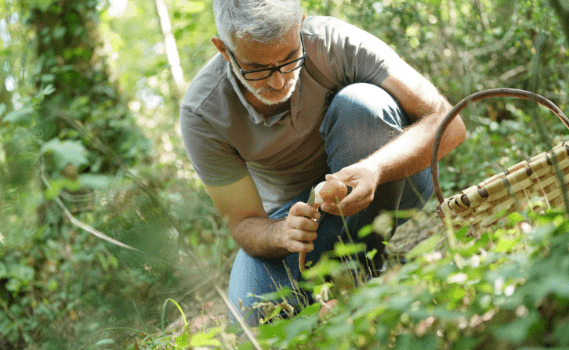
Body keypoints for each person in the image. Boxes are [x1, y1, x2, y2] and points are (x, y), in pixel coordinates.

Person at [180, 0, 466, 326]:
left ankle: (367, 271)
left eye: (289, 59)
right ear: (224, 50)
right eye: (257, 68)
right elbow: (244, 223)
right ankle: (338, 284)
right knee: (252, 313)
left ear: (300, 25)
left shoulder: (333, 42)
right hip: (300, 222)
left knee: (363, 103)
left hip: (390, 184)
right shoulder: (203, 111)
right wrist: (280, 233)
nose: (277, 81)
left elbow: (449, 122)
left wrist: (376, 168)